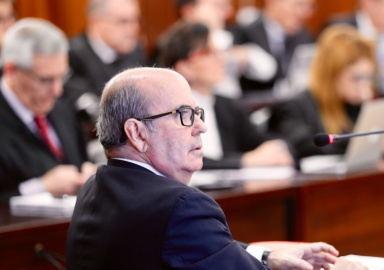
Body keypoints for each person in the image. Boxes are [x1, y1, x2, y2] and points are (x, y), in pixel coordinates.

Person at [66, 66, 367, 270]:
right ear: (137, 133)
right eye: (183, 114)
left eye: (197, 112)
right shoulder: (179, 207)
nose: (201, 126)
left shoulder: (94, 188)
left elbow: (202, 250)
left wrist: (268, 257)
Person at [158, 21, 293, 169]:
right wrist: (245, 161)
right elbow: (184, 160)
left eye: (219, 52)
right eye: (209, 52)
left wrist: (277, 148)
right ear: (184, 66)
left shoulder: (228, 106)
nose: (221, 59)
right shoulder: (167, 111)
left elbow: (259, 140)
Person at [269, 25, 384, 159]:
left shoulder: (358, 104)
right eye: (357, 78)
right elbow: (307, 145)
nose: (365, 85)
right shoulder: (295, 108)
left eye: (369, 77)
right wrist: (367, 143)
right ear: (332, 75)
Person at [0, 18, 95, 202]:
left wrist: (89, 175)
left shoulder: (62, 109)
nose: (57, 90)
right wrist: (41, 187)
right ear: (11, 71)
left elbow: (80, 161)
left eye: (61, 77)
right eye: (45, 80)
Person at [163, 0, 277, 98]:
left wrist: (240, 54)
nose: (226, 13)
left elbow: (268, 69)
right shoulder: (172, 44)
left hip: (229, 108)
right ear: (188, 10)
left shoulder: (231, 36)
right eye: (217, 6)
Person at [62, 0, 149, 125]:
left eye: (135, 20)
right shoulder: (71, 55)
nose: (134, 29)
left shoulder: (136, 51)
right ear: (96, 21)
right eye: (123, 21)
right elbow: (82, 106)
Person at [231, 0, 315, 93]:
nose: (305, 12)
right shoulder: (243, 35)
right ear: (272, 2)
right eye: (299, 5)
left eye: (310, 7)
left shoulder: (304, 37)